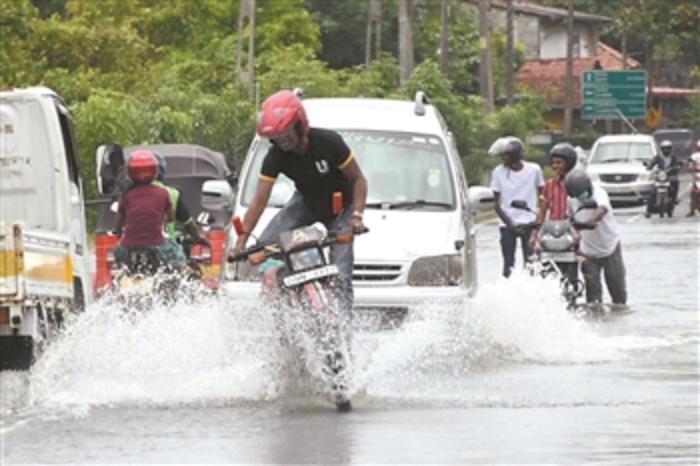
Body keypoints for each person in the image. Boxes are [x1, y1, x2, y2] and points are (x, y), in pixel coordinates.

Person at [232, 89, 368, 313]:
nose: (282, 142)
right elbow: (259, 200)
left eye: (286, 135)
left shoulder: (329, 142)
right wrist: (241, 242)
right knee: (264, 246)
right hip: (307, 202)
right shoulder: (274, 157)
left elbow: (359, 180)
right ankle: (286, 300)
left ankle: (343, 325)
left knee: (342, 272)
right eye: (276, 138)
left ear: (300, 126)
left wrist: (357, 216)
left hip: (342, 206)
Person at [564, 170, 627, 306]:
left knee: (617, 290)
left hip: (609, 246)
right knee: (593, 295)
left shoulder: (599, 193)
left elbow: (602, 209)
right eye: (577, 196)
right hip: (588, 250)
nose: (580, 198)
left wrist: (591, 221)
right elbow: (568, 218)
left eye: (582, 194)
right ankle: (595, 316)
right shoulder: (571, 200)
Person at [113, 150, 183, 269]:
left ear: (129, 172)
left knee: (119, 260)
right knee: (178, 255)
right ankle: (180, 276)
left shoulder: (126, 195)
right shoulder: (163, 193)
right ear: (155, 171)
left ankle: (123, 275)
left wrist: (119, 233)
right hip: (158, 245)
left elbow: (118, 224)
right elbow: (171, 218)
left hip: (128, 246)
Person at [488, 136, 544, 278]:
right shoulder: (498, 172)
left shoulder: (534, 170)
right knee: (508, 264)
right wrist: (510, 224)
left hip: (529, 222)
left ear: (516, 154)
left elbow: (543, 197)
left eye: (506, 155)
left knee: (531, 263)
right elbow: (495, 203)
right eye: (502, 155)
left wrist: (538, 220)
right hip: (507, 224)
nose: (503, 158)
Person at [530, 142, 580, 282]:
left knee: (573, 272)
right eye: (553, 163)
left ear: (569, 163)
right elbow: (543, 210)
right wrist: (535, 234)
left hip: (571, 233)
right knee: (550, 271)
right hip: (553, 232)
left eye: (559, 163)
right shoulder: (549, 185)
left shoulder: (577, 183)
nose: (555, 166)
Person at [151, 151, 210, 255]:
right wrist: (198, 238)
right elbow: (189, 224)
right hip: (166, 251)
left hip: (134, 250)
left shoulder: (129, 193)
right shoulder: (172, 194)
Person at [645, 139, 680, 218]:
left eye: (668, 148)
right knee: (653, 191)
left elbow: (677, 165)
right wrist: (649, 166)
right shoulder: (658, 157)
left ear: (671, 149)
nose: (666, 150)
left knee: (676, 182)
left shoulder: (674, 157)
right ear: (662, 149)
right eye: (665, 148)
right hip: (660, 176)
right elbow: (652, 163)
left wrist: (677, 167)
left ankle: (674, 199)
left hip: (670, 175)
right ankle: (648, 211)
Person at [687, 140, 700, 217]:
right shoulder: (695, 156)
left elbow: (690, 164)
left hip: (696, 175)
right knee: (693, 192)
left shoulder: (695, 155)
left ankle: (692, 210)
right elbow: (691, 164)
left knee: (692, 192)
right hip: (697, 175)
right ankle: (692, 210)